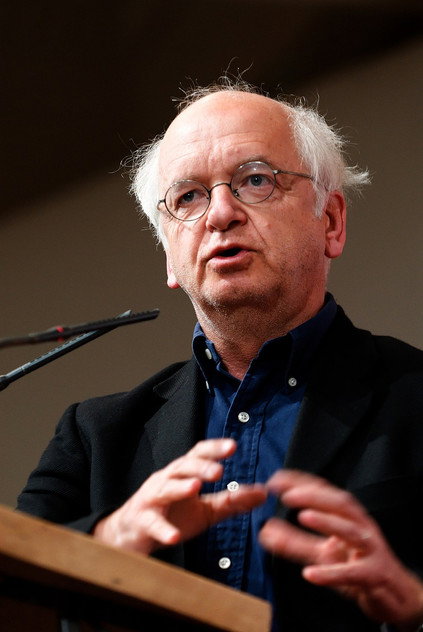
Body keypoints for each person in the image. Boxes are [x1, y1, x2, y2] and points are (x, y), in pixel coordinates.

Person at [17, 79, 423, 632]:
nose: (220, 213)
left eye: (256, 180)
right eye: (188, 196)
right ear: (169, 256)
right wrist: (108, 542)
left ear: (331, 221)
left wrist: (413, 604)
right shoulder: (96, 439)